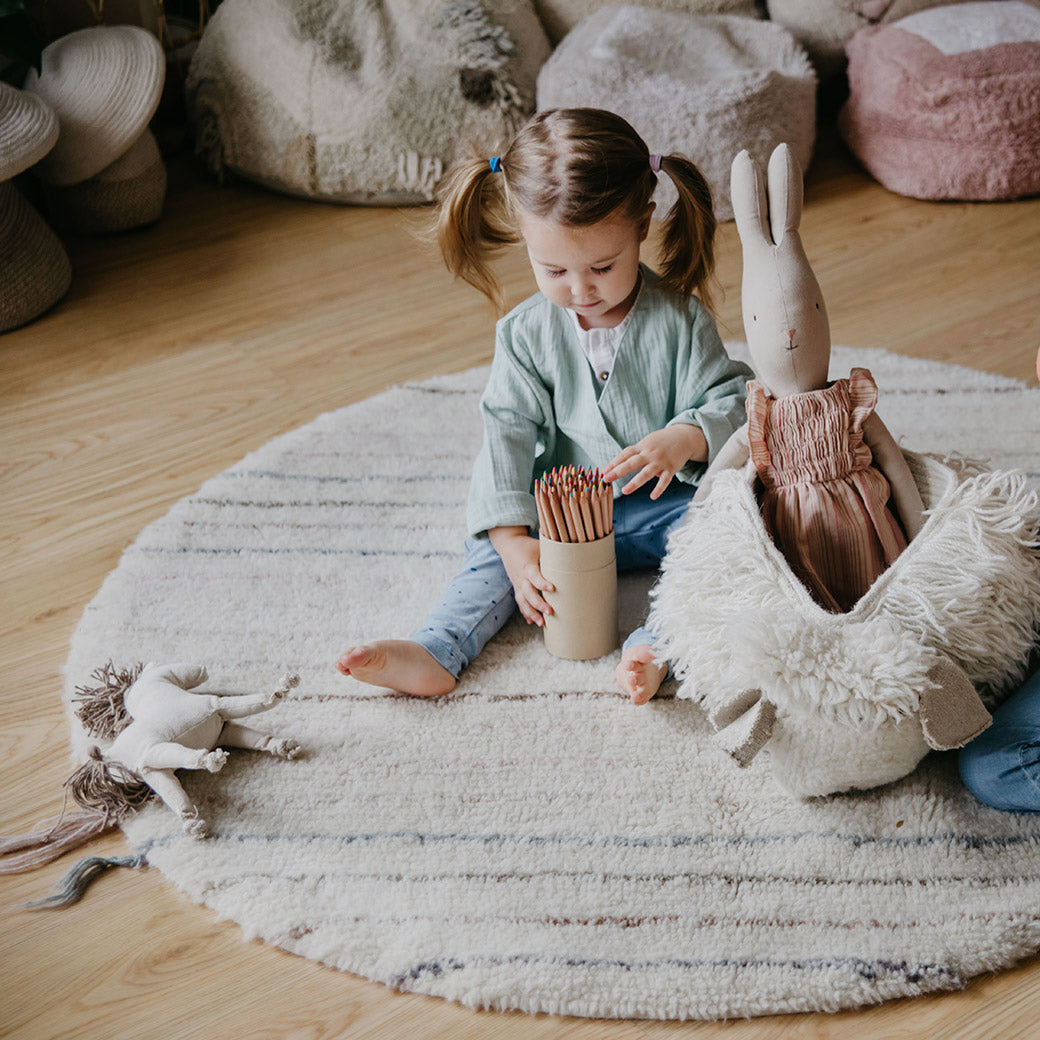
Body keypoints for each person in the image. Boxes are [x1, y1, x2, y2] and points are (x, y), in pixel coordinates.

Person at [336, 108, 751, 703]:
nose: (580, 289)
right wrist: (510, 541)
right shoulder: (525, 332)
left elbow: (735, 399)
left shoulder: (681, 318)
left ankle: (656, 646)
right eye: (553, 269)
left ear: (642, 225)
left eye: (601, 267)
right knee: (489, 557)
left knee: (734, 530)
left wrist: (686, 436)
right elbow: (505, 430)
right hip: (559, 516)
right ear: (525, 238)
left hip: (660, 508)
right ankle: (437, 647)